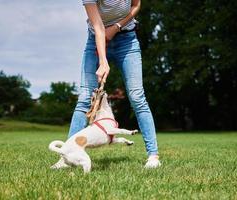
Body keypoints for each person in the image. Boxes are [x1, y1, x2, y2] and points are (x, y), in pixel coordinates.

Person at [53, 0, 161, 169]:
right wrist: (103, 61)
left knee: (137, 96)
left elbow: (136, 6)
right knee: (84, 99)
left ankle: (153, 156)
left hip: (127, 40)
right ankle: (66, 158)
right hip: (96, 39)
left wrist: (117, 26)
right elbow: (98, 27)